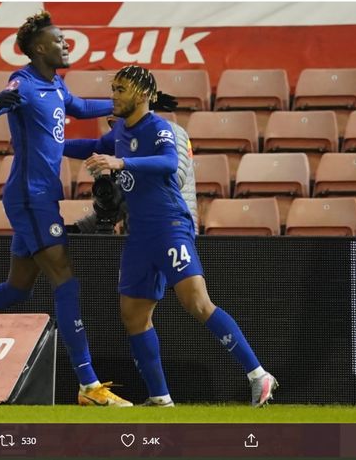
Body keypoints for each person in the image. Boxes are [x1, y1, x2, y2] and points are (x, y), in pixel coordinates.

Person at [0, 11, 134, 407]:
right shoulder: (25, 83)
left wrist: (120, 105)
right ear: (37, 48)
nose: (66, 44)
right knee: (65, 281)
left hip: (40, 197)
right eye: (58, 40)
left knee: (17, 288)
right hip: (30, 197)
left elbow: (81, 106)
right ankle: (89, 386)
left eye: (65, 38)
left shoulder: (56, 85)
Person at [63, 65, 278, 407]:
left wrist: (121, 164)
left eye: (120, 89)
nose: (113, 96)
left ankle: (258, 375)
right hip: (139, 236)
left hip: (169, 226)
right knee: (134, 315)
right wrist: (52, 144)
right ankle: (160, 397)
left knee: (196, 301)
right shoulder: (118, 133)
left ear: (143, 95)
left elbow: (167, 163)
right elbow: (89, 145)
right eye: (113, 88)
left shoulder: (158, 128)